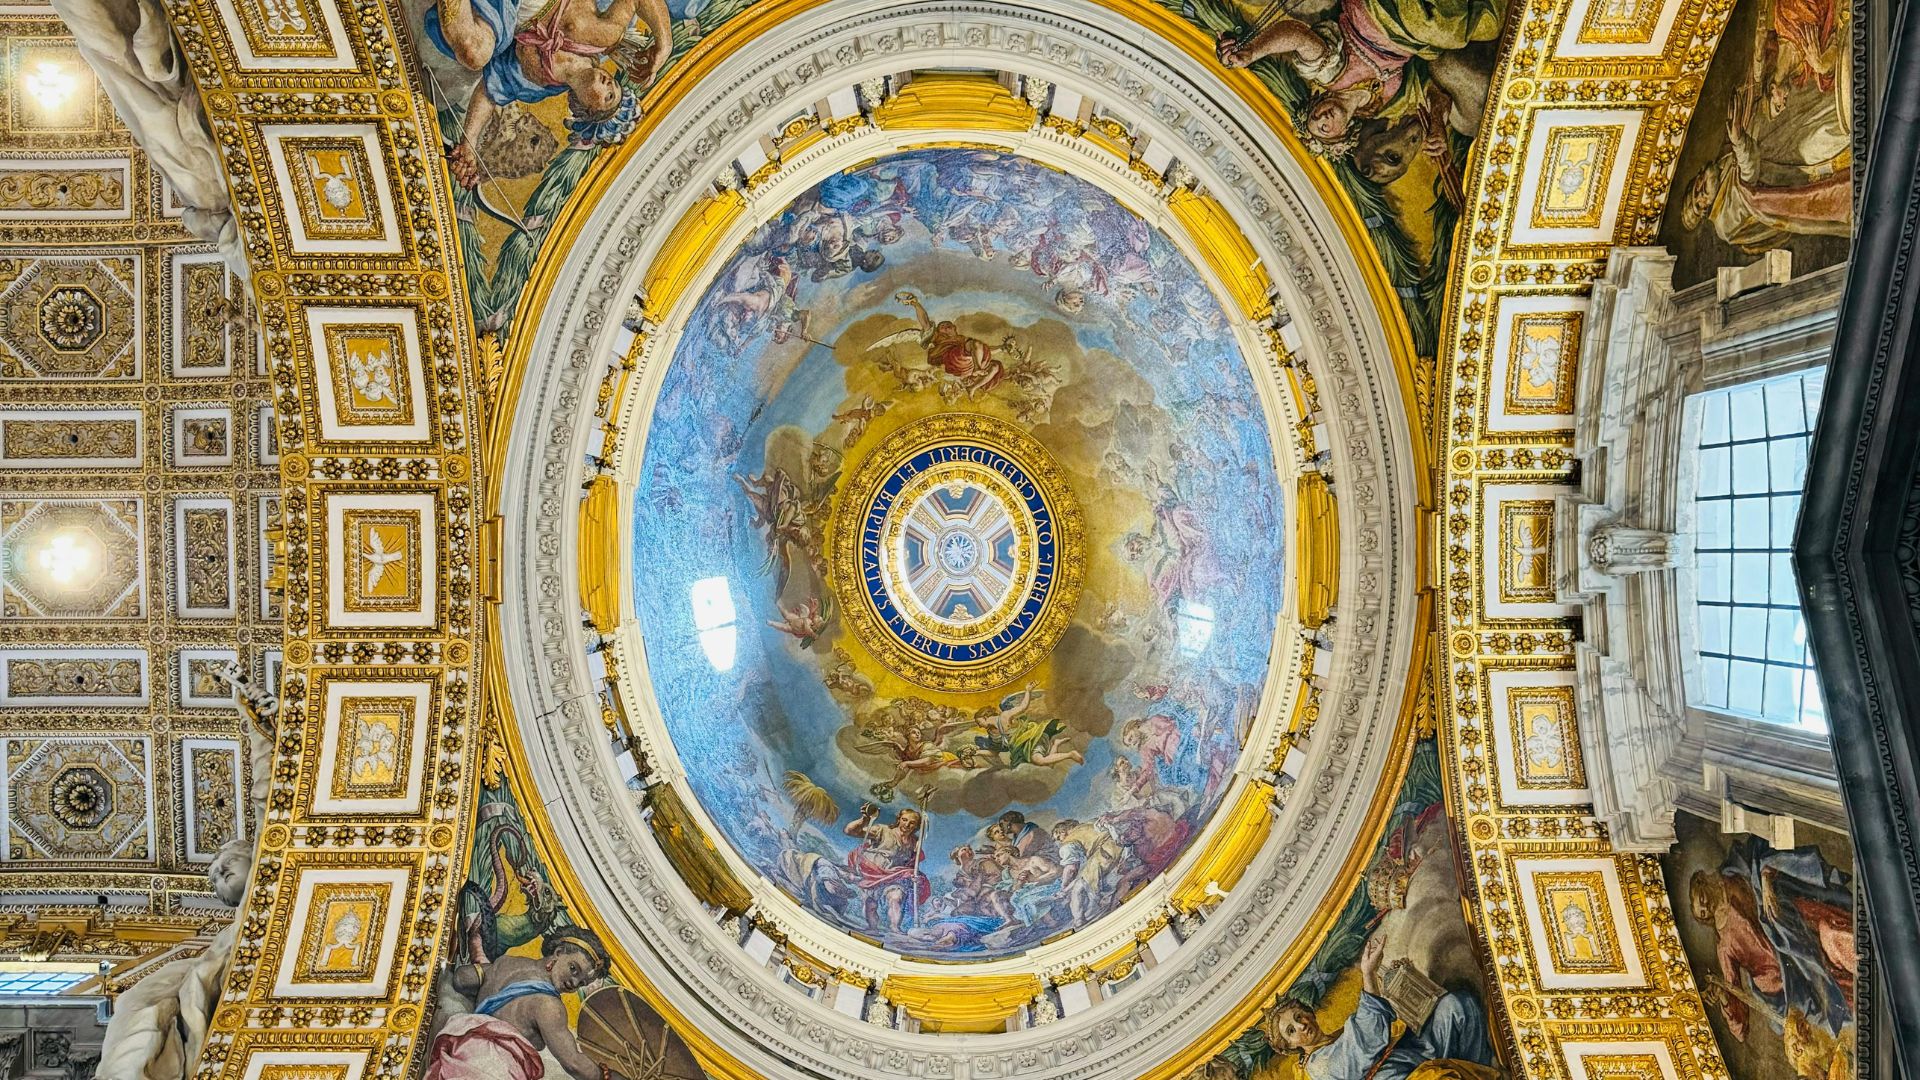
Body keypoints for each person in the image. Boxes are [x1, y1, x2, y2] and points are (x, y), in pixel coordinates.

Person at [427, 0, 671, 183]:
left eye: (608, 96)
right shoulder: (604, 38)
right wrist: (664, 42)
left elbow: (490, 92)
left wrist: (468, 143)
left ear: (587, 109)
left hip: (506, 8)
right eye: (615, 85)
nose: (609, 83)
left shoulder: (539, 84)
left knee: (475, 53)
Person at [1261, 938, 1499, 1080]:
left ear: (1310, 1013)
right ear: (1290, 1047)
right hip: (1400, 1076)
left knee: (1457, 1006)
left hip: (1412, 1056)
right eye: (1291, 1031)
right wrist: (1368, 974)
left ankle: (1480, 1069)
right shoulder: (1316, 1068)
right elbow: (1365, 1043)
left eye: (1299, 1016)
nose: (1302, 1024)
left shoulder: (1334, 1039)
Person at [427, 927, 613, 1080]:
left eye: (582, 983)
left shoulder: (505, 963)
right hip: (498, 1069)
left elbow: (461, 978)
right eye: (574, 969)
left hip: (463, 1052)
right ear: (558, 953)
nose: (574, 983)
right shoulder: (549, 1006)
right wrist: (605, 1075)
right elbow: (573, 1062)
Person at [843, 804, 930, 932]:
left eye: (912, 823)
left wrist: (913, 876)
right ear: (899, 819)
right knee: (870, 904)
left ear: (916, 826)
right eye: (904, 820)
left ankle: (895, 928)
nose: (907, 825)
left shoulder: (914, 843)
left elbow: (910, 866)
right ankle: (872, 928)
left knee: (896, 897)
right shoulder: (883, 830)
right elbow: (850, 831)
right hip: (872, 874)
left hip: (894, 877)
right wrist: (864, 819)